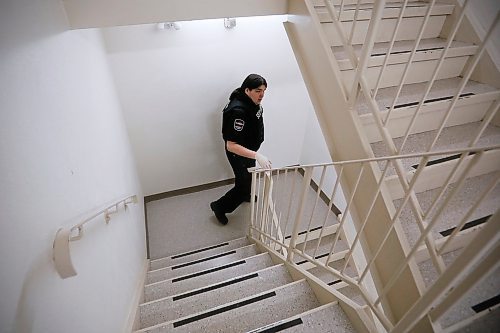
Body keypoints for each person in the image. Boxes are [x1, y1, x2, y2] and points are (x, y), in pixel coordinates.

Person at [210, 74, 272, 225]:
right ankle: (219, 206)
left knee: (248, 177)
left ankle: (245, 194)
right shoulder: (237, 111)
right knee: (243, 185)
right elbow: (231, 145)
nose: (262, 94)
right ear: (247, 90)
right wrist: (257, 155)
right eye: (258, 91)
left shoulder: (251, 101)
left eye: (264, 90)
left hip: (248, 150)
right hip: (238, 154)